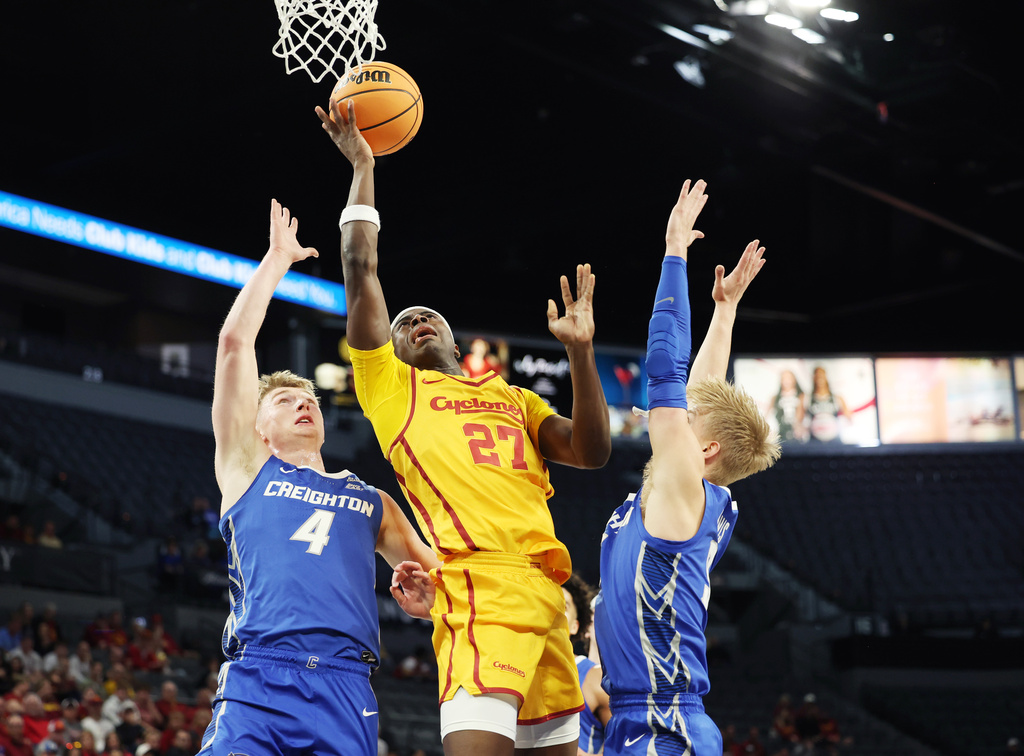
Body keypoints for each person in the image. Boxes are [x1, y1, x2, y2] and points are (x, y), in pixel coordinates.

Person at [317, 98, 612, 756]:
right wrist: (363, 166)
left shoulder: (512, 397)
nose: (417, 322)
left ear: (453, 336)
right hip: (478, 587)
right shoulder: (393, 388)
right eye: (403, 322)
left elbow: (591, 452)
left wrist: (582, 353)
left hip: (548, 596)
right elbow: (360, 268)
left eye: (429, 317)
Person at [196, 200, 440, 756]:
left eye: (310, 400)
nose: (304, 405)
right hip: (259, 679)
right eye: (286, 400)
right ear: (257, 427)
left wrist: (434, 603)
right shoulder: (246, 467)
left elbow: (440, 573)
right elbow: (235, 344)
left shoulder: (371, 499)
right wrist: (278, 259)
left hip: (345, 686)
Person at [593, 179, 781, 755]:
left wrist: (675, 251)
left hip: (662, 724)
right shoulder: (687, 491)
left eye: (685, 421)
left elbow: (666, 368)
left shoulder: (682, 494)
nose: (671, 417)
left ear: (704, 452)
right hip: (639, 715)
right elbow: (699, 392)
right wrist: (724, 313)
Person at [561, 574, 608, 756]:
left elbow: (626, 747)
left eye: (563, 607)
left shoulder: (594, 678)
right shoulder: (512, 671)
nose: (553, 611)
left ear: (575, 626)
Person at [805, 367, 851, 443]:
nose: (820, 377)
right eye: (817, 375)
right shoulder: (806, 398)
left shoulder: (837, 398)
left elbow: (849, 418)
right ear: (813, 377)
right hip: (814, 442)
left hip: (835, 442)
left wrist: (837, 426)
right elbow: (798, 423)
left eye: (822, 374)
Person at [769, 370, 805, 443]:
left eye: (789, 378)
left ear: (794, 379)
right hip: (781, 436)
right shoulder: (775, 398)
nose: (786, 381)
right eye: (784, 378)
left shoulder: (802, 396)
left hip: (798, 436)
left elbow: (804, 414)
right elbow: (768, 416)